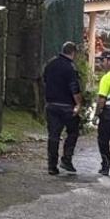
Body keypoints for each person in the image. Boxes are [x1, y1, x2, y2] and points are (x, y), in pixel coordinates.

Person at [42, 41, 83, 175]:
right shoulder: (70, 68)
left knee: (53, 136)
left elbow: (44, 80)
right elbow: (74, 87)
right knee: (73, 132)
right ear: (73, 52)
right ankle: (66, 159)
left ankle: (51, 166)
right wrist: (78, 104)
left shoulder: (50, 64)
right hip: (67, 107)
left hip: (51, 105)